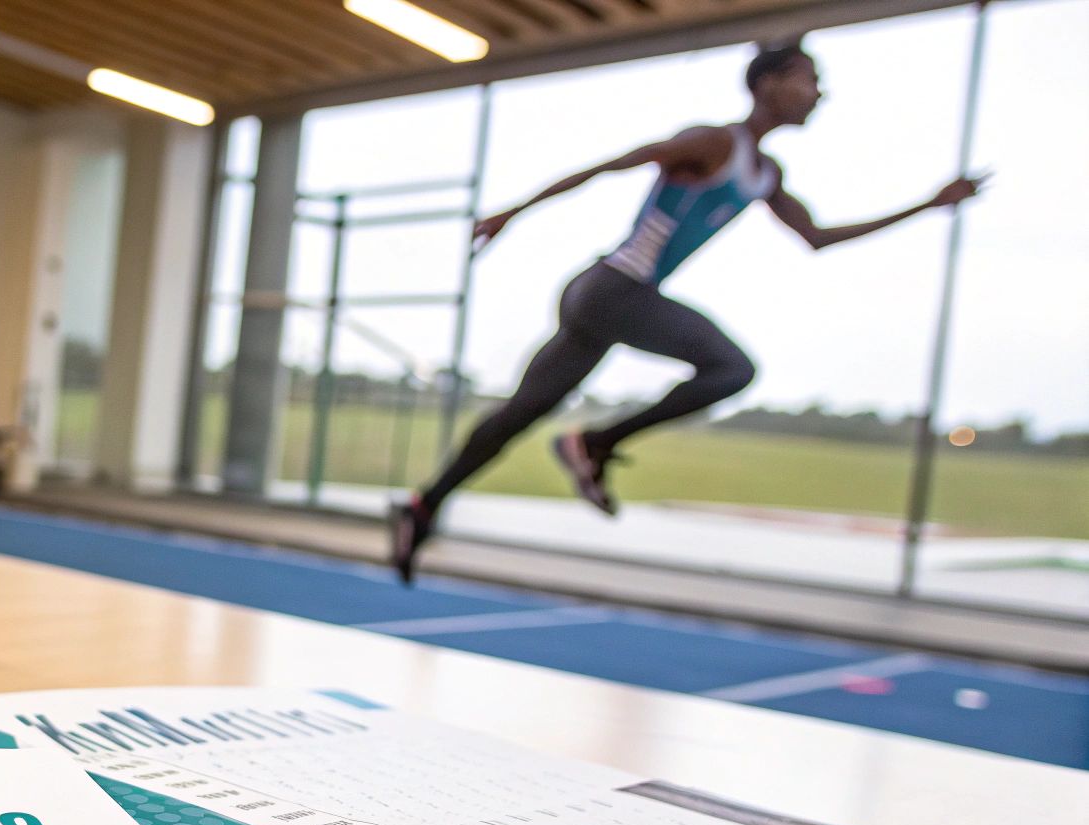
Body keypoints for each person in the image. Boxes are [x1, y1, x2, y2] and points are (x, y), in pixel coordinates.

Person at [388, 40, 984, 584]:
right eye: (809, 79)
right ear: (769, 84)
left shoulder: (766, 173)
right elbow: (614, 163)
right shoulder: (714, 143)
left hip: (605, 299)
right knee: (732, 370)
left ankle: (423, 506)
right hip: (615, 289)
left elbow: (819, 237)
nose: (818, 93)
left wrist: (931, 204)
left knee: (520, 414)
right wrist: (511, 212)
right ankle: (594, 443)